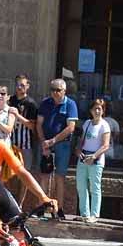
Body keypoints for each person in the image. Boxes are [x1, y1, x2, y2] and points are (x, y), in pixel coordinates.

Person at [37, 78, 78, 220]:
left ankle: (59, 208)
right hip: (46, 143)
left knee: (59, 177)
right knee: (44, 176)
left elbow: (71, 127)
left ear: (64, 91)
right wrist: (44, 143)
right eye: (53, 89)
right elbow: (39, 124)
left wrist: (53, 141)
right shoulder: (45, 103)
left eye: (58, 90)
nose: (55, 93)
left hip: (62, 144)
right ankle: (41, 207)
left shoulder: (70, 104)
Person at [74, 98, 111, 223]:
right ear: (90, 110)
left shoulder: (104, 125)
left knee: (95, 187)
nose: (97, 111)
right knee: (81, 185)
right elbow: (82, 140)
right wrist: (78, 150)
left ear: (103, 111)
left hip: (96, 159)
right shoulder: (87, 123)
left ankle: (95, 214)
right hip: (84, 157)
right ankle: (85, 213)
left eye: (99, 109)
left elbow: (105, 145)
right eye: (95, 108)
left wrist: (94, 156)